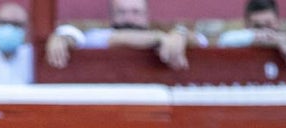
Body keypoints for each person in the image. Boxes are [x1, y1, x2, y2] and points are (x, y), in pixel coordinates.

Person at [45, 0, 206, 71]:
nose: (129, 18)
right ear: (111, 17)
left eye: (135, 12)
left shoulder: (168, 37)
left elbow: (201, 40)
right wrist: (160, 38)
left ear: (146, 16)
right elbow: (113, 38)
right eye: (121, 12)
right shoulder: (98, 36)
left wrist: (181, 36)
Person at [216, 0, 286, 74]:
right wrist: (278, 42)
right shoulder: (239, 39)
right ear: (247, 24)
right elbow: (225, 40)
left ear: (277, 22)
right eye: (257, 26)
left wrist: (282, 39)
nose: (265, 31)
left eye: (268, 24)